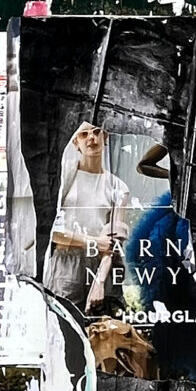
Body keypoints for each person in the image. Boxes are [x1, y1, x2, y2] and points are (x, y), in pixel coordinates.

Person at [44, 122, 133, 310]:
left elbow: (113, 240)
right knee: (64, 323)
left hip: (101, 264)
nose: (91, 138)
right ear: (76, 142)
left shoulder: (118, 187)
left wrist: (99, 283)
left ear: (105, 138)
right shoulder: (65, 179)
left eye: (96, 132)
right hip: (66, 263)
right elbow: (52, 232)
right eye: (84, 134)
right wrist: (94, 241)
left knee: (101, 328)